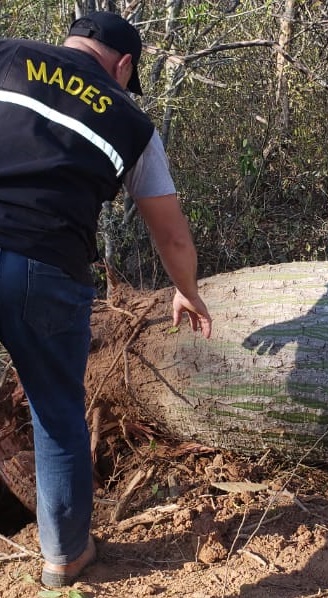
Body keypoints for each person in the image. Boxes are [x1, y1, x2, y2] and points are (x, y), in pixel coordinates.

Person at [0, 11, 212, 587]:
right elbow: (170, 232)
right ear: (124, 65)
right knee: (58, 415)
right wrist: (186, 293)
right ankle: (66, 557)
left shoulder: (8, 55)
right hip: (45, 269)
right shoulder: (131, 122)